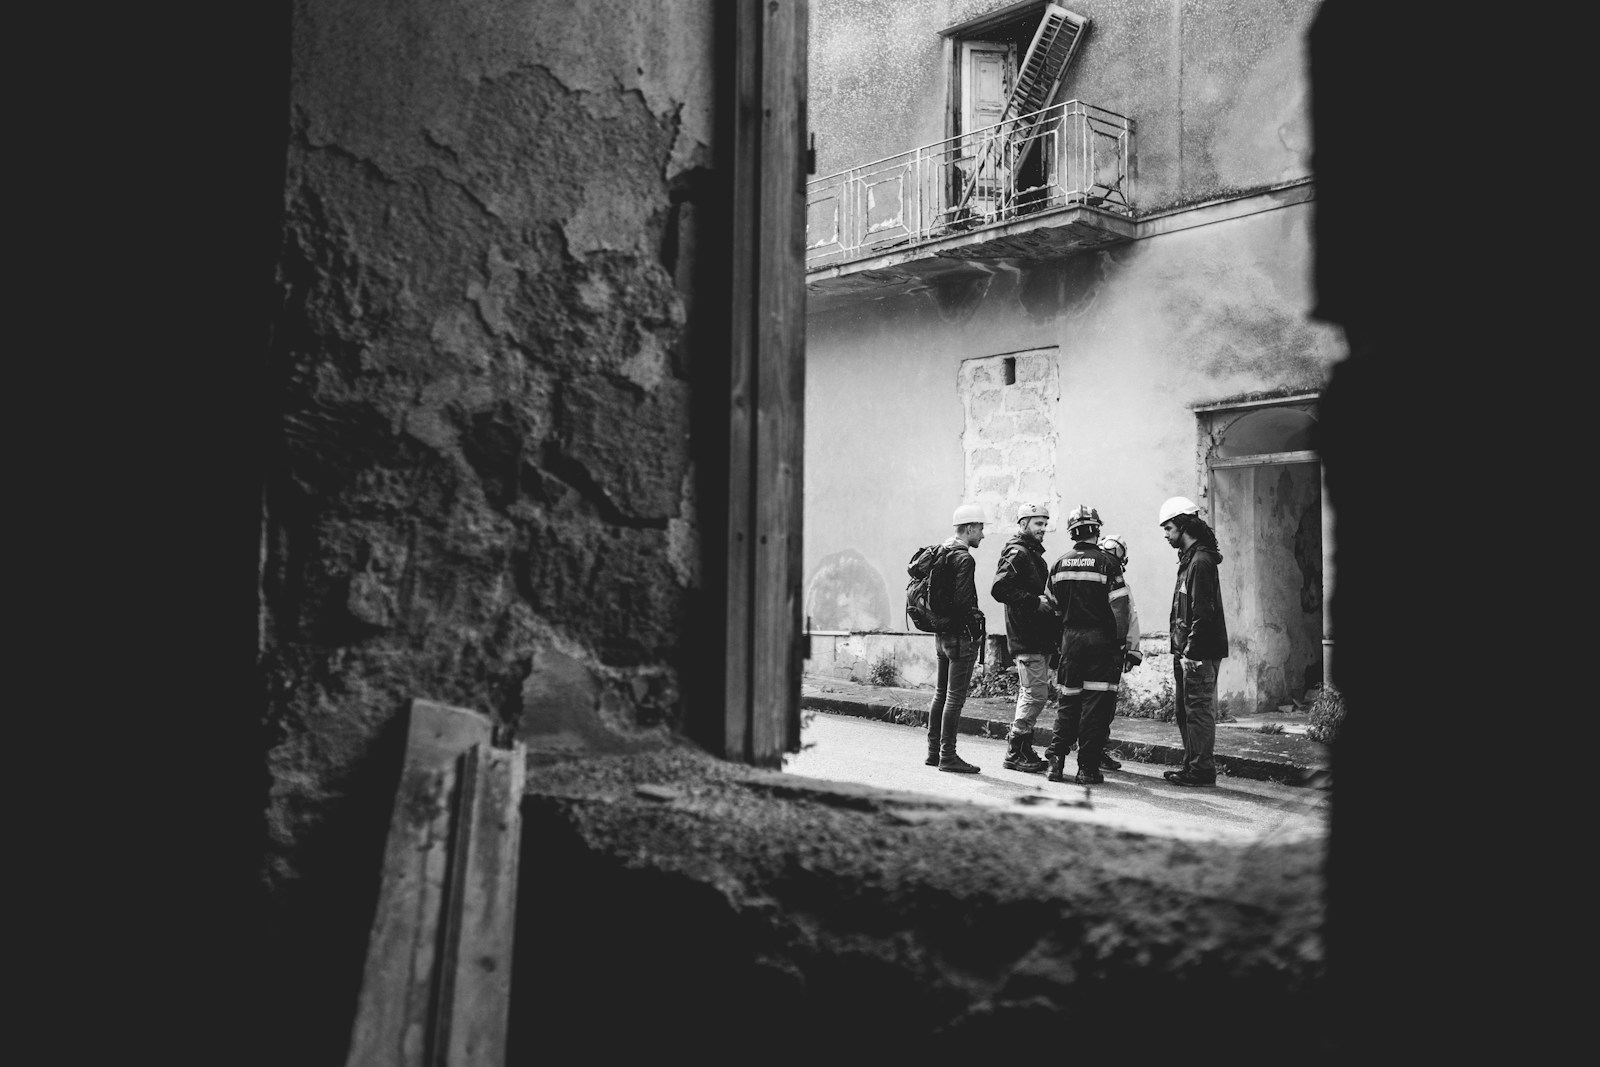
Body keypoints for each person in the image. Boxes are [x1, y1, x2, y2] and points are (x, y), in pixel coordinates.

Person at [1041, 504, 1130, 786]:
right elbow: (1121, 609)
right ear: (1097, 530)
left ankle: (1055, 761)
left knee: (1068, 702)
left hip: (1070, 643)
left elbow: (1050, 611)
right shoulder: (1108, 564)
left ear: (1071, 533)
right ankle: (1087, 769)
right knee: (1095, 706)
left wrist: (1058, 645)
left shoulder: (1058, 565)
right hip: (1101, 644)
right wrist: (1120, 645)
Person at [1158, 495, 1229, 787]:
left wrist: (1192, 652)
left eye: (1168, 528)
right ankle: (1192, 765)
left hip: (1197, 652)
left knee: (1198, 710)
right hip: (1186, 650)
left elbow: (1204, 611)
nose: (1165, 534)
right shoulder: (1190, 560)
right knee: (1184, 710)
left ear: (1183, 526)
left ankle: (1201, 770)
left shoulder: (1200, 562)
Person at [990, 502, 1060, 773]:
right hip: (1026, 636)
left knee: (1033, 693)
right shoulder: (1018, 552)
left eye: (1045, 523)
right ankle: (1016, 750)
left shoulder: (1032, 554)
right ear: (1023, 524)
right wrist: (1034, 602)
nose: (1043, 528)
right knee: (1035, 694)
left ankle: (1022, 748)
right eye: (1037, 523)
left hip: (1036, 635)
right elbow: (999, 588)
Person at [924, 503, 989, 773]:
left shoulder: (942, 551)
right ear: (970, 528)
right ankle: (948, 755)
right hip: (960, 637)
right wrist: (974, 625)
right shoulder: (964, 558)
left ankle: (933, 752)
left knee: (940, 694)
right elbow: (963, 601)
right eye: (981, 529)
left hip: (941, 634)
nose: (982, 535)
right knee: (954, 698)